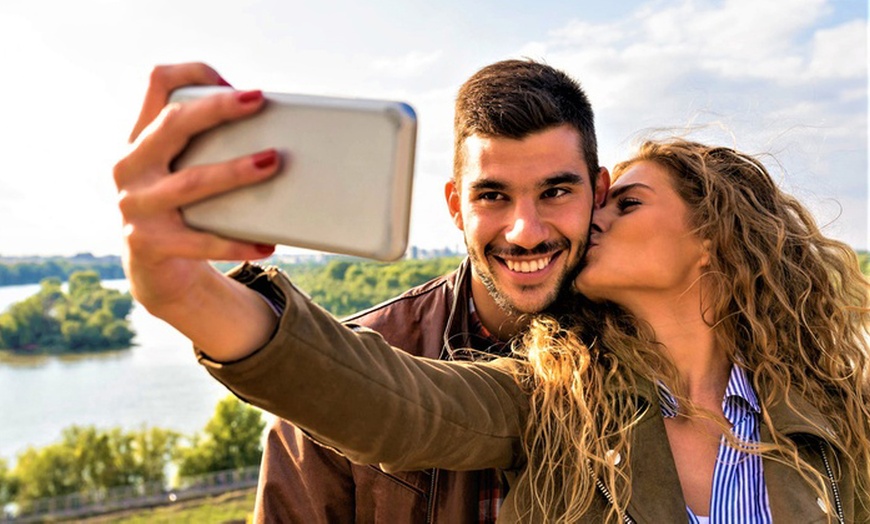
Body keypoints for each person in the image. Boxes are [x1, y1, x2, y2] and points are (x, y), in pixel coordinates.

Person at [120, 138, 869, 522]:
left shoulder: (836, 410)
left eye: (626, 203)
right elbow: (386, 400)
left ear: (714, 238)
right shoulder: (549, 399)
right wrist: (190, 294)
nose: (587, 218)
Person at [114, 59, 608, 522]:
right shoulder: (338, 379)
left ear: (599, 193)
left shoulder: (650, 350)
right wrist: (189, 295)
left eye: (556, 191)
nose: (524, 231)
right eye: (492, 195)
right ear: (456, 206)